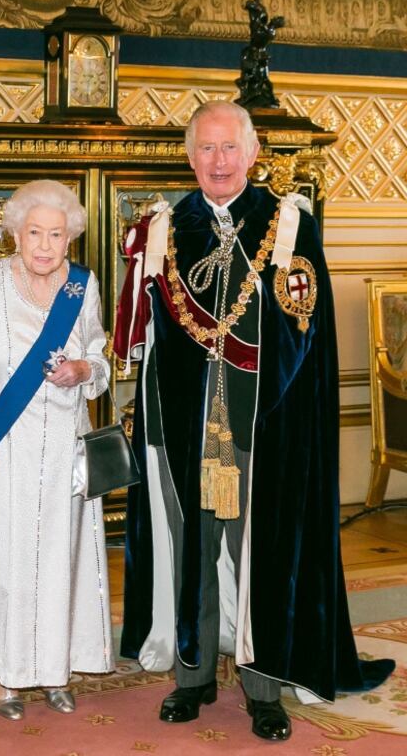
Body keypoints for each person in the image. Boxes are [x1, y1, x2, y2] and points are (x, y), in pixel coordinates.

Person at [114, 101, 393, 741]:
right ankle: (193, 679)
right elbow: (150, 338)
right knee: (192, 554)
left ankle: (263, 686)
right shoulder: (163, 227)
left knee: (260, 557)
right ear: (190, 158)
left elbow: (308, 331)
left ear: (252, 153)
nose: (218, 161)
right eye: (206, 149)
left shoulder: (287, 223)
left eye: (229, 148)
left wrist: (280, 421)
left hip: (262, 429)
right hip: (186, 426)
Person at [0, 179, 115, 720]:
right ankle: (0, 678)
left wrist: (84, 369)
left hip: (65, 449)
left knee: (61, 557)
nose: (44, 244)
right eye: (34, 232)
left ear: (71, 238)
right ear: (15, 234)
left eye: (56, 234)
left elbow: (101, 360)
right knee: (5, 561)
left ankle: (54, 670)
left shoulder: (82, 288)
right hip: (5, 448)